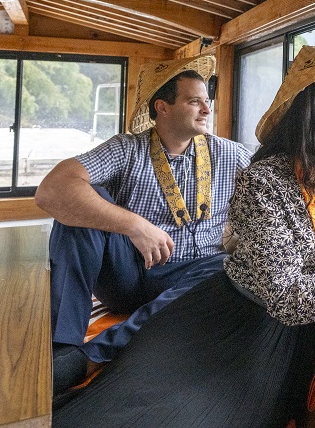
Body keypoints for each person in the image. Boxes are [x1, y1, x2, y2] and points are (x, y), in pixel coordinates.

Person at [53, 46, 315, 427]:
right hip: (218, 307)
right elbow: (291, 299)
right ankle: (66, 353)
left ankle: (108, 351)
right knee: (146, 407)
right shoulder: (260, 179)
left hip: (247, 310)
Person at [37, 54, 252, 396]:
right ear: (162, 107)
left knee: (227, 265)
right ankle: (61, 347)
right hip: (129, 273)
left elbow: (275, 191)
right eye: (194, 101)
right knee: (80, 204)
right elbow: (51, 190)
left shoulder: (232, 154)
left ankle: (91, 357)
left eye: (206, 101)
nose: (206, 110)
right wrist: (134, 224)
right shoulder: (128, 149)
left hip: (191, 280)